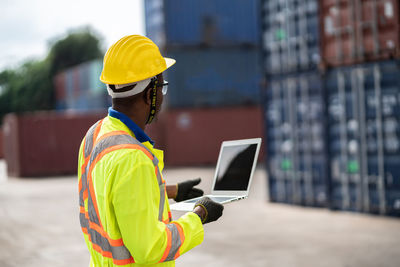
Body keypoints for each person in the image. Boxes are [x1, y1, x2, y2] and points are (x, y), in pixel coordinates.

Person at [78, 35, 224, 267]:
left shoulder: (94, 135)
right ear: (149, 93)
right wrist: (199, 216)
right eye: (162, 88)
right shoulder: (133, 158)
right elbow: (151, 248)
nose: (161, 97)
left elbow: (110, 193)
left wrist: (171, 190)